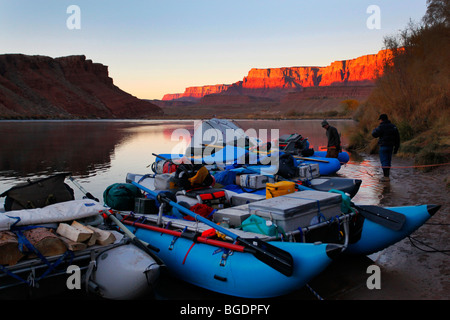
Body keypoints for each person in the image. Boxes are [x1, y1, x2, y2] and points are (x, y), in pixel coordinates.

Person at [372, 114, 400, 182]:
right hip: (391, 146)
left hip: (383, 146)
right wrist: (396, 148)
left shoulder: (381, 126)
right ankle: (387, 176)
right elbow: (397, 138)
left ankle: (386, 177)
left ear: (381, 120)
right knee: (388, 161)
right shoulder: (393, 126)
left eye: (380, 120)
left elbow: (374, 134)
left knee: (384, 161)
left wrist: (374, 129)